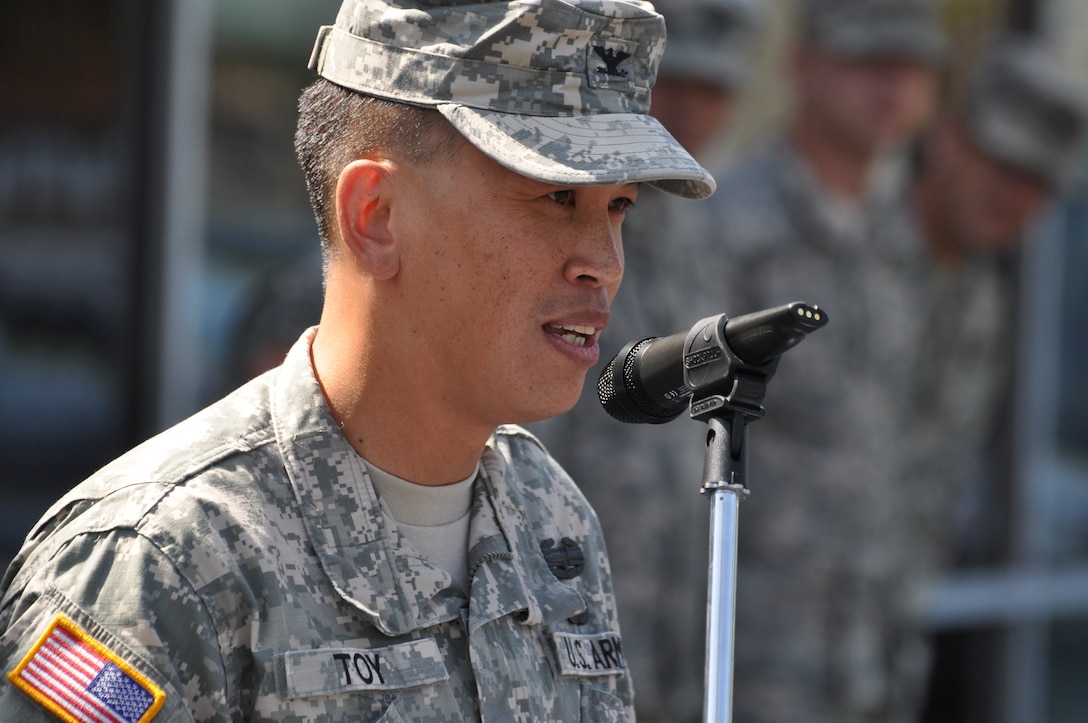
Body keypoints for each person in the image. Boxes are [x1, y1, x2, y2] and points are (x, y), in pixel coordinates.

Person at [0, 0, 715, 720]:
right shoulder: (159, 564)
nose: (603, 263)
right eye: (558, 196)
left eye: (619, 206)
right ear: (376, 216)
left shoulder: (550, 517)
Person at [695, 0, 947, 721]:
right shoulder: (732, 226)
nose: (890, 88)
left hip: (870, 646)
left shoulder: (897, 238)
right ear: (803, 67)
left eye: (910, 67)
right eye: (867, 63)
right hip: (755, 645)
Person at [526, 1, 764, 720]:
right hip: (558, 625)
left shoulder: (701, 232)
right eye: (676, 81)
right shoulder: (550, 224)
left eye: (717, 90)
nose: (693, 108)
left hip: (667, 635)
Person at [895, 35, 1088, 600]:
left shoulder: (984, 302)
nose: (1011, 194)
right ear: (948, 137)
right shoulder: (835, 253)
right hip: (747, 651)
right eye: (999, 162)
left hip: (885, 653)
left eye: (1035, 181)